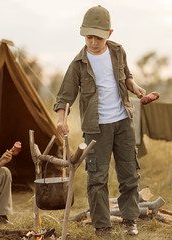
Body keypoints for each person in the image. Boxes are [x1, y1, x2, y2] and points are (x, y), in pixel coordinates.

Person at [53, 5, 146, 237]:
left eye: (98, 37)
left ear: (110, 34)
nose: (93, 42)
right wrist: (60, 119)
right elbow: (64, 96)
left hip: (123, 122)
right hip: (96, 128)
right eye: (89, 37)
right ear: (82, 33)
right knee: (97, 178)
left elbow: (126, 76)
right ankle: (102, 225)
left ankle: (130, 220)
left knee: (129, 174)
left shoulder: (118, 51)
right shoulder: (78, 63)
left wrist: (135, 88)